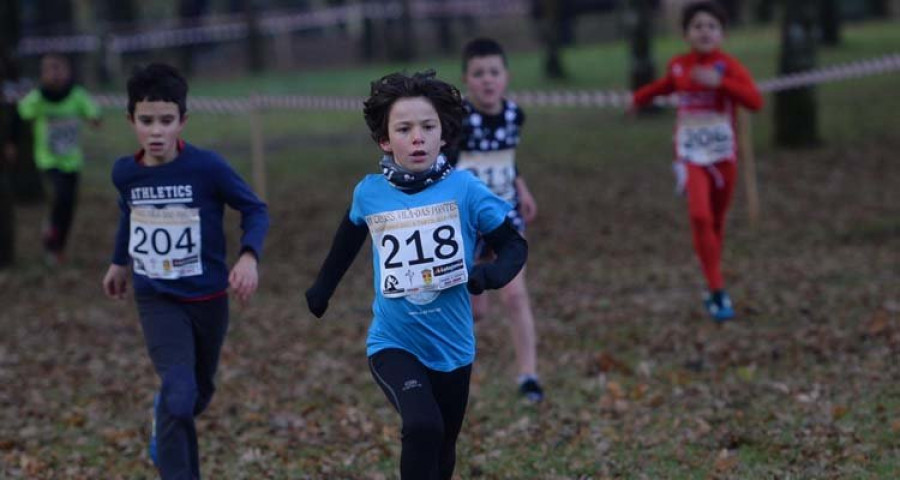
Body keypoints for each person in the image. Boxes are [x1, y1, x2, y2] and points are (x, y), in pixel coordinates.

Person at [305, 71, 527, 480]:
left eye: (428, 127)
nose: (418, 137)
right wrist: (322, 289)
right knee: (422, 426)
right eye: (404, 129)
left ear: (444, 134)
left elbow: (514, 245)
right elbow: (347, 241)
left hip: (453, 346)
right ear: (385, 141)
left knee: (442, 450)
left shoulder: (465, 188)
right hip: (393, 342)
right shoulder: (369, 193)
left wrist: (488, 276)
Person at [101, 63, 269, 479]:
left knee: (197, 393)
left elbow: (254, 208)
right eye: (146, 121)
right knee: (179, 396)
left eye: (165, 121)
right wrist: (120, 260)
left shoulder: (206, 168)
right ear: (131, 121)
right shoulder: (126, 172)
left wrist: (249, 256)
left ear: (182, 121)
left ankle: (165, 424)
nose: (156, 131)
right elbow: (131, 213)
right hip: (156, 297)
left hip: (208, 298)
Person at [631, 1, 762, 322]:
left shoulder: (728, 66)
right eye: (698, 26)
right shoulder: (679, 65)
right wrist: (637, 99)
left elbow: (755, 101)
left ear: (722, 33)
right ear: (686, 33)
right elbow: (664, 86)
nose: (704, 32)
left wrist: (722, 85)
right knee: (700, 217)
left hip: (723, 156)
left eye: (711, 26)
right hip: (690, 156)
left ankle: (711, 279)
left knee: (716, 223)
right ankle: (717, 290)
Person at [451, 37, 544, 402]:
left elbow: (507, 158)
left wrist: (523, 188)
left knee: (516, 297)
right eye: (478, 74)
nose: (487, 80)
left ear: (506, 76)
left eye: (494, 72)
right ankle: (454, 370)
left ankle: (529, 376)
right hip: (465, 223)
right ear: (466, 79)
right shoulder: (458, 119)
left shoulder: (513, 115)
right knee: (473, 308)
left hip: (505, 219)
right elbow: (445, 167)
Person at [15, 53, 101, 265]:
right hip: (48, 160)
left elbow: (93, 112)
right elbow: (19, 115)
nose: (55, 75)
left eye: (59, 69)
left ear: (68, 71)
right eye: (49, 70)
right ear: (42, 74)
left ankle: (58, 245)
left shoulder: (77, 95)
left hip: (72, 160)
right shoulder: (37, 98)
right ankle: (52, 235)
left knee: (69, 205)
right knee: (60, 196)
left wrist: (93, 119)